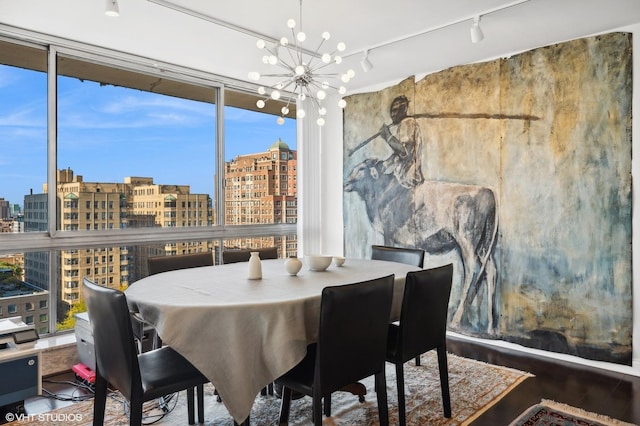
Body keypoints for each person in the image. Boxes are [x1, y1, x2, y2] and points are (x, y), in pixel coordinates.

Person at [379, 95, 425, 189]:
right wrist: (385, 164)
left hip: (408, 180)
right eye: (392, 111)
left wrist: (388, 136)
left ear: (404, 110)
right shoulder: (405, 124)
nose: (393, 114)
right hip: (404, 178)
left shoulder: (407, 122)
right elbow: (399, 153)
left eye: (396, 110)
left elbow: (404, 152)